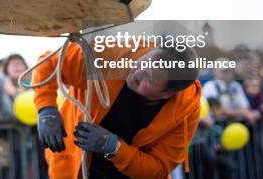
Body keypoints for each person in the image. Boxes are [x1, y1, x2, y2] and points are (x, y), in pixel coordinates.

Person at [33, 42, 201, 179]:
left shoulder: (186, 111)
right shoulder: (111, 54)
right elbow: (49, 62)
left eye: (148, 78)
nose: (137, 72)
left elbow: (157, 169)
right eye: (143, 61)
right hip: (74, 168)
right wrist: (46, 108)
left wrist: (114, 148)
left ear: (167, 93)